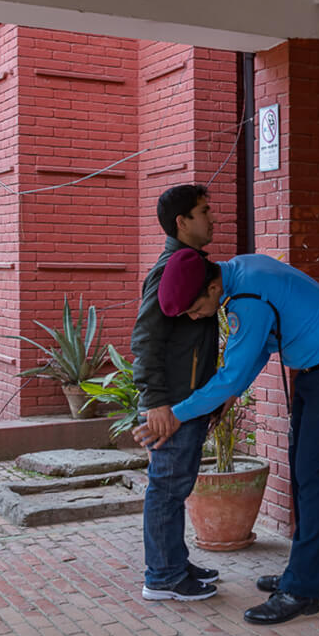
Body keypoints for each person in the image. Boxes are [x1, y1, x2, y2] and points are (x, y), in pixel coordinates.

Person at [134, 249, 319, 626]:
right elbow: (259, 349)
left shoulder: (246, 299)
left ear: (213, 287)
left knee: (313, 479)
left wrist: (175, 415)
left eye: (195, 309)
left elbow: (232, 374)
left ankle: (302, 590)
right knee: (304, 473)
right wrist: (229, 392)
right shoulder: (242, 270)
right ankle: (314, 571)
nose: (195, 318)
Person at [131, 184, 222, 602]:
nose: (212, 218)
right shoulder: (171, 269)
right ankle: (163, 577)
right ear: (181, 222)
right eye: (204, 211)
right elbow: (145, 339)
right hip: (172, 404)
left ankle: (173, 562)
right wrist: (156, 404)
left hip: (187, 400)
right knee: (167, 488)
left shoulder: (190, 266)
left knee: (175, 486)